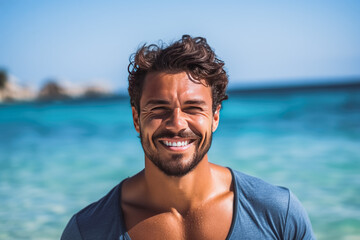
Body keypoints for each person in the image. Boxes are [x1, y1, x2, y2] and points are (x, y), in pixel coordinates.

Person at [61, 35, 315, 240]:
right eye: (159, 109)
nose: (177, 124)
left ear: (215, 117)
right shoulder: (88, 230)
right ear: (137, 119)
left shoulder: (278, 213)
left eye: (193, 108)